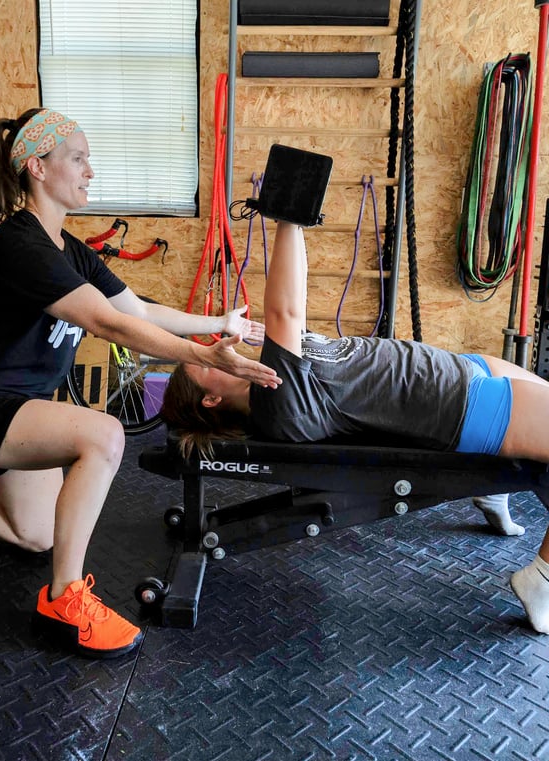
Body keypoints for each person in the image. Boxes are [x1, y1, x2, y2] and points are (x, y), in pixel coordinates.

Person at [0, 107, 283, 660]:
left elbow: (137, 310)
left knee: (37, 534)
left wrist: (218, 323)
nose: (90, 171)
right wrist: (203, 355)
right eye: (78, 158)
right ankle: (64, 599)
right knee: (104, 435)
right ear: (37, 167)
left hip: (21, 409)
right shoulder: (21, 246)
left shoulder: (70, 249)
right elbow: (109, 324)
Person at [160, 219, 549, 636]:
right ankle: (542, 580)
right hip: (455, 404)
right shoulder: (275, 396)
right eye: (205, 362)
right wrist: (287, 216)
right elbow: (284, 311)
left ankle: (495, 490)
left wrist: (300, 220)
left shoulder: (269, 377)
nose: (216, 351)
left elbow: (292, 306)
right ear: (211, 399)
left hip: (455, 369)